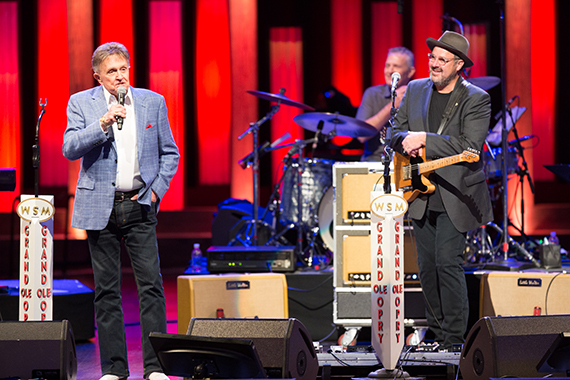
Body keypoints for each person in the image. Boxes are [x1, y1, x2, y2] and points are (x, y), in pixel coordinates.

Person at [63, 42, 179, 380]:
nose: (119, 76)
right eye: (111, 72)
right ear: (98, 76)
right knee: (107, 290)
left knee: (152, 288)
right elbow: (70, 148)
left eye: (123, 69)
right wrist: (102, 123)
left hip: (139, 205)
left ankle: (156, 367)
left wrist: (156, 191)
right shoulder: (81, 103)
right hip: (100, 206)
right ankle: (114, 368)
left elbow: (170, 153)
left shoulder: (152, 102)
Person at [389, 31, 493, 349]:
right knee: (427, 266)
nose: (434, 63)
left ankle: (453, 340)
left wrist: (422, 138)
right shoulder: (416, 89)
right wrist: (404, 140)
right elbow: (394, 130)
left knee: (447, 262)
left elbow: (469, 146)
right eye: (432, 56)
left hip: (456, 192)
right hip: (418, 190)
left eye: (442, 59)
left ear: (459, 64)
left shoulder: (477, 98)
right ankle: (435, 333)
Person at [356, 46, 416, 161]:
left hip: (409, 162)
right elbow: (361, 136)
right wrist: (393, 104)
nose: (389, 71)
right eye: (387, 66)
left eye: (396, 66)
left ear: (410, 72)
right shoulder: (372, 94)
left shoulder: (419, 95)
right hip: (374, 161)